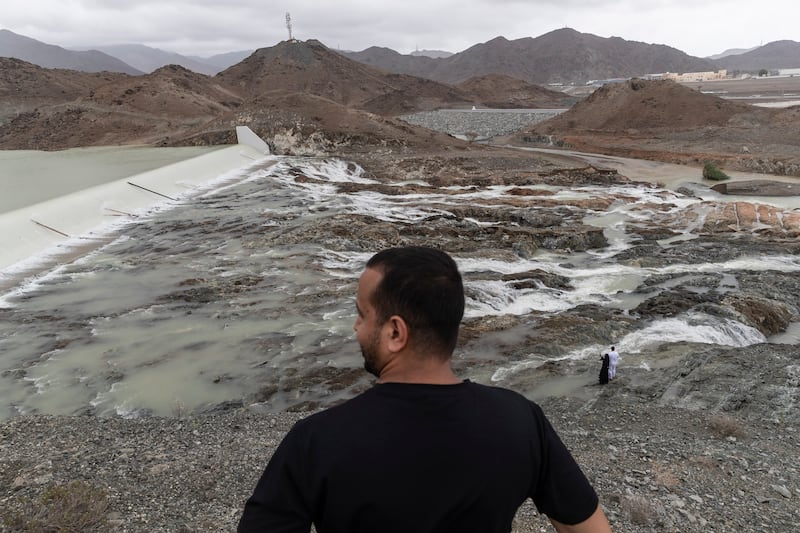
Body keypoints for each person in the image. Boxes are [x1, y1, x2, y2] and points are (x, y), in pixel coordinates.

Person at [238, 246, 612, 533]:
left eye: (362, 314)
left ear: (395, 333)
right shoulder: (521, 421)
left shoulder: (316, 441)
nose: (355, 327)